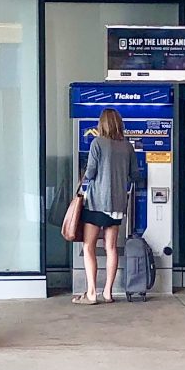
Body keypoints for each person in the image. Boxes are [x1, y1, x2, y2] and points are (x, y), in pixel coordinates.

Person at [73, 108, 138, 305]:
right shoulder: (127, 146)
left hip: (96, 203)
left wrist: (82, 176)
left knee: (88, 246)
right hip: (117, 204)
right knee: (111, 247)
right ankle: (108, 292)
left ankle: (92, 293)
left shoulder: (97, 143)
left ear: (102, 124)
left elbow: (91, 172)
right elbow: (135, 175)